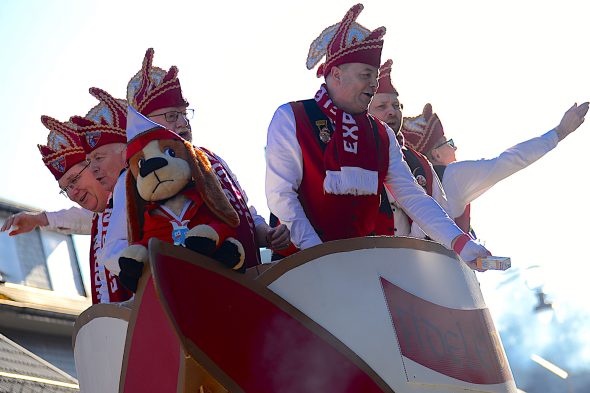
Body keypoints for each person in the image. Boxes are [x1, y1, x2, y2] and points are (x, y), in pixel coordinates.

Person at [265, 3, 488, 266]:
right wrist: (319, 256)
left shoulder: (380, 133)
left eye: (375, 75)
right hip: (301, 269)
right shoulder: (292, 117)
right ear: (336, 74)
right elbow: (281, 197)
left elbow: (412, 196)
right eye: (366, 75)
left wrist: (459, 242)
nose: (373, 83)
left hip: (362, 269)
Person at [125, 48, 288, 267]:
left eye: (185, 113)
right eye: (172, 116)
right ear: (147, 123)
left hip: (247, 274)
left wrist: (266, 234)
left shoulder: (210, 157)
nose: (183, 123)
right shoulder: (140, 177)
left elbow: (243, 210)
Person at [401, 101, 589, 236]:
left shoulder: (406, 185)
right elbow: (508, 161)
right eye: (449, 143)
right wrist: (560, 132)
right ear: (436, 155)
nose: (455, 147)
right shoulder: (452, 175)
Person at [38, 114, 130, 303]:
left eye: (74, 180)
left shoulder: (133, 194)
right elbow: (80, 218)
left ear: (94, 166)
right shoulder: (100, 217)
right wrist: (38, 219)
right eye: (66, 189)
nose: (72, 193)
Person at [368, 59, 448, 237]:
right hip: (367, 260)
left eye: (396, 106)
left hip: (415, 261)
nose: (392, 111)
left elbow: (442, 214)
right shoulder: (351, 156)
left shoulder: (420, 162)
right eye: (382, 106)